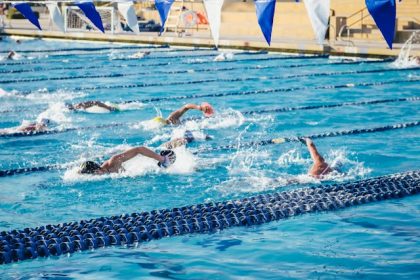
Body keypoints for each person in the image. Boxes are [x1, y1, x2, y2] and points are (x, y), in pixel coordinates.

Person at [79, 147, 176, 175]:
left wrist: (162, 159)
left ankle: (164, 156)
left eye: (93, 175)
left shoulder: (114, 162)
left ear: (97, 171)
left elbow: (139, 149)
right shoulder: (102, 173)